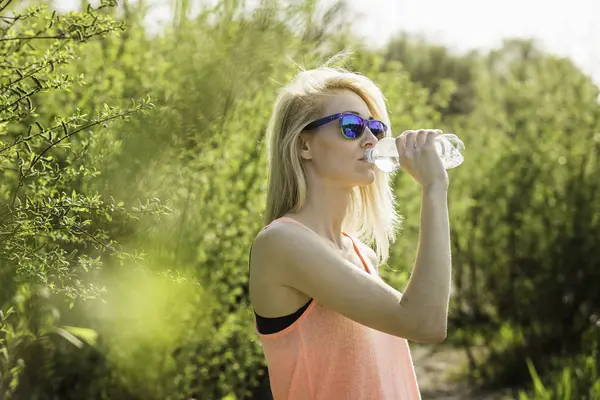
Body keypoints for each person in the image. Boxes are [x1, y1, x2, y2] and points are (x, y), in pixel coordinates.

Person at [248, 61, 452, 400]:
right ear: (304, 146)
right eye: (351, 127)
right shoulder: (280, 244)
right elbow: (424, 323)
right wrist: (433, 189)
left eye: (376, 128)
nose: (371, 139)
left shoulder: (361, 254)